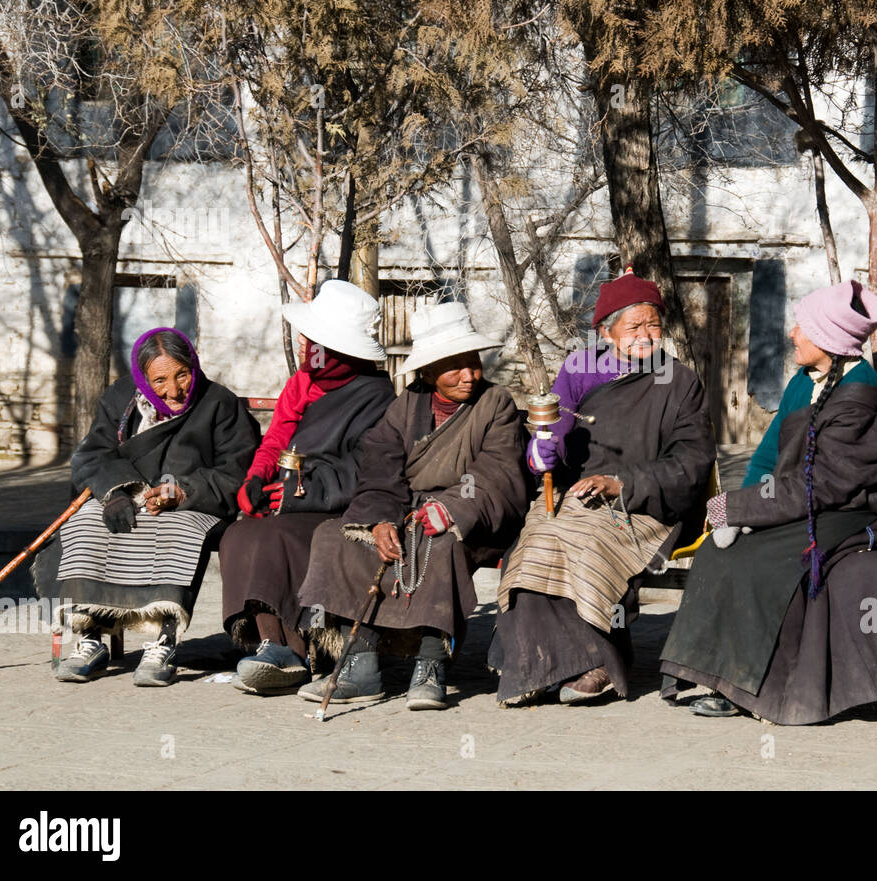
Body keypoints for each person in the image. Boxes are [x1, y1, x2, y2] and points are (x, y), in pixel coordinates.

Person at [659, 281, 877, 724]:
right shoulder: (805, 382)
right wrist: (743, 509)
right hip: (802, 502)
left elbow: (823, 486)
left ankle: (756, 689)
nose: (793, 334)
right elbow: (768, 457)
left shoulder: (860, 394)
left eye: (802, 326)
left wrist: (740, 510)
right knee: (721, 553)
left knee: (766, 564)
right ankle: (723, 676)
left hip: (852, 510)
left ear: (828, 340)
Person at [489, 269, 716, 706]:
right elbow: (554, 426)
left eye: (653, 324)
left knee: (589, 542)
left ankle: (599, 664)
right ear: (606, 332)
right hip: (576, 495)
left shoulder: (680, 382)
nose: (646, 335)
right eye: (634, 326)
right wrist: (544, 450)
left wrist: (623, 483)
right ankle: (534, 662)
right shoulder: (580, 368)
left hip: (644, 504)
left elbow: (693, 460)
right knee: (538, 538)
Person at [296, 303, 531, 710]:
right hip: (407, 511)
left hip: (475, 515)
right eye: (453, 367)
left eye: (472, 363)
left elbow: (497, 471)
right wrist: (380, 520)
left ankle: (431, 662)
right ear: (427, 372)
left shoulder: (496, 404)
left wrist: (450, 508)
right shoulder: (406, 405)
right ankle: (360, 663)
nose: (469, 375)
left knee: (437, 543)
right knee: (337, 538)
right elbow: (379, 467)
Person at [33, 327, 259, 686]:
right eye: (160, 380)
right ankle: (90, 636)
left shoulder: (219, 404)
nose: (174, 390)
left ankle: (162, 640)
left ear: (194, 366)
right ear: (142, 378)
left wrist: (182, 492)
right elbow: (93, 454)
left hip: (194, 503)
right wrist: (117, 491)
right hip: (130, 495)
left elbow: (238, 471)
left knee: (175, 528)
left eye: (182, 374)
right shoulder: (120, 398)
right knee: (86, 520)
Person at [220, 279, 396, 695]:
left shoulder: (377, 397)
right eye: (306, 337)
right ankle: (270, 643)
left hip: (335, 505)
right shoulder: (301, 383)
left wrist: (309, 490)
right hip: (290, 498)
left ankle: (295, 650)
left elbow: (366, 469)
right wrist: (255, 479)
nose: (305, 346)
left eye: (315, 340)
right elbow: (276, 440)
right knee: (241, 531)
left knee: (277, 535)